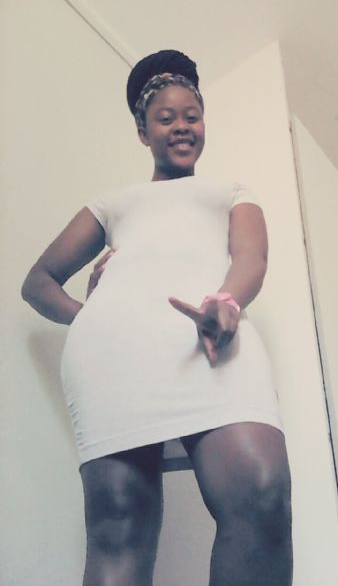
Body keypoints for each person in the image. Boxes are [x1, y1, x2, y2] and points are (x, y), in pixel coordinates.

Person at [21, 49, 293, 586]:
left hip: (211, 340)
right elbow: (38, 282)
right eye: (165, 118)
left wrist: (227, 303)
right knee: (120, 528)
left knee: (262, 499)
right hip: (114, 359)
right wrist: (88, 316)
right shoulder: (112, 203)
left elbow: (251, 258)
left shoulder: (231, 192)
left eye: (192, 115)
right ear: (143, 133)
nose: (181, 126)